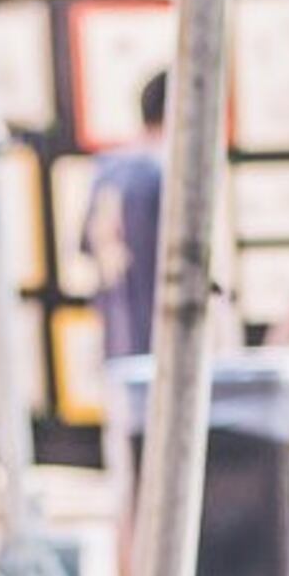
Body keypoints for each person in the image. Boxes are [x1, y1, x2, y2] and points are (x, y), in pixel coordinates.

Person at [82, 70, 171, 368]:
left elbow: (87, 243)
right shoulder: (163, 172)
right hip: (159, 336)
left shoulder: (106, 167)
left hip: (116, 337)